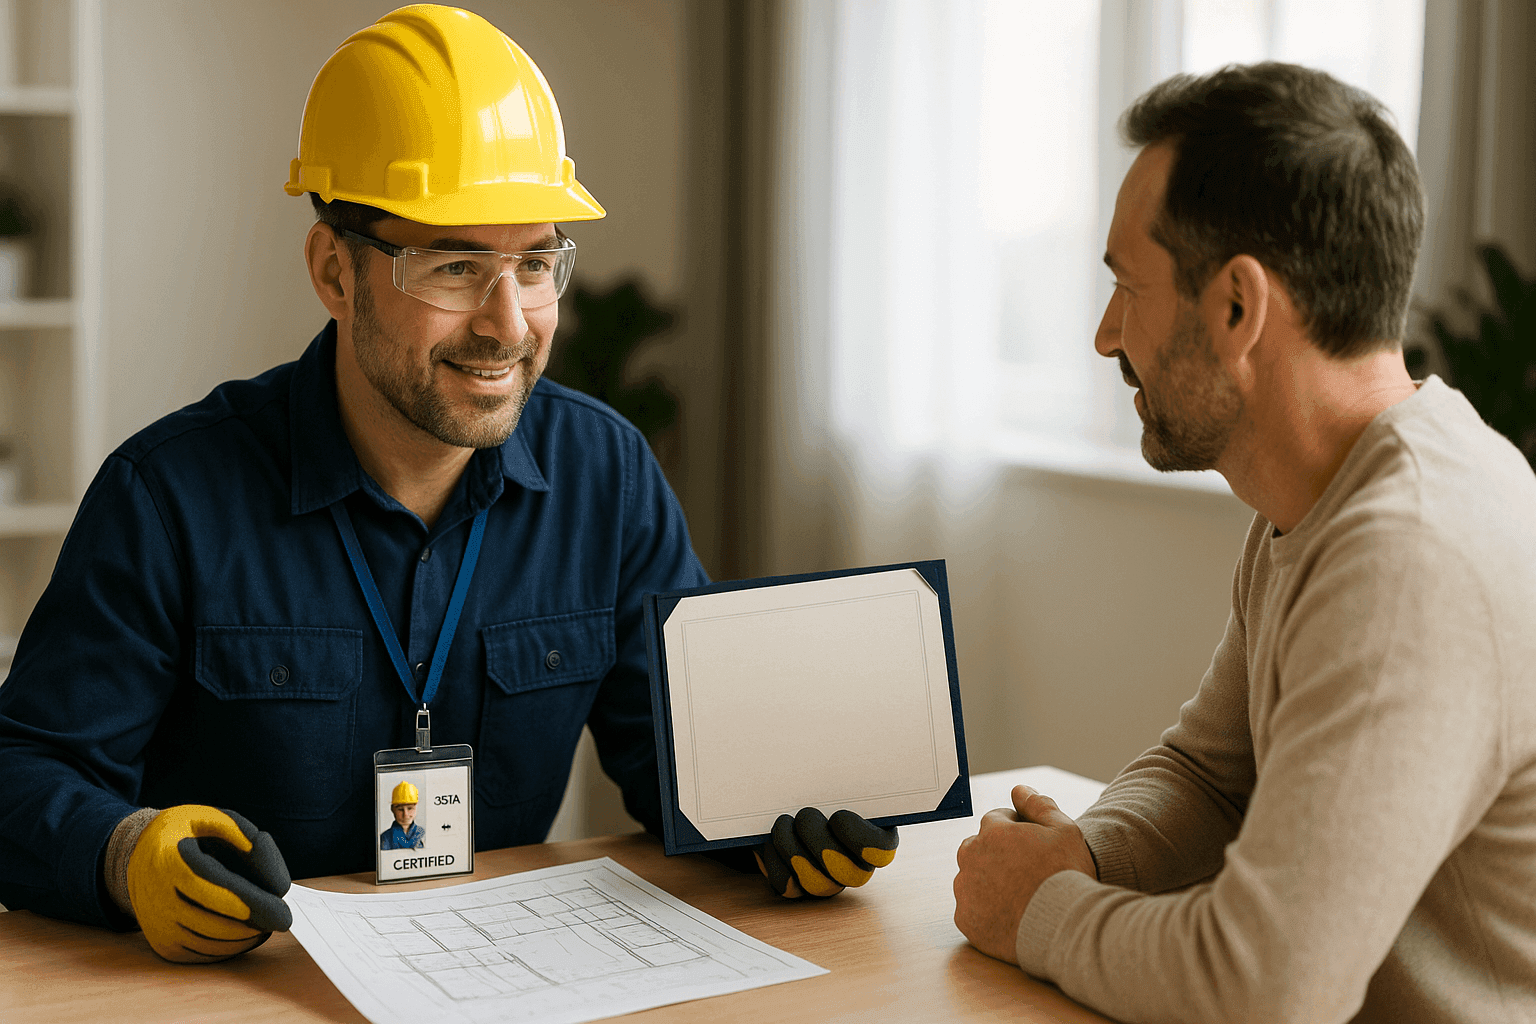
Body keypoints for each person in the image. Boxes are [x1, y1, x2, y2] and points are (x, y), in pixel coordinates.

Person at [0, 4, 891, 964]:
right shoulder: (168, 496)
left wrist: (775, 827)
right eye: (457, 265)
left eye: (536, 263)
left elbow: (684, 757)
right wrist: (124, 851)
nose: (507, 324)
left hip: (502, 978)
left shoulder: (608, 476)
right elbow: (21, 771)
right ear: (334, 273)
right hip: (246, 987)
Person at [953, 62, 1536, 1022]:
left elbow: (1268, 986)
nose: (1105, 338)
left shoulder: (1410, 552)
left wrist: (1041, 912)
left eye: (1127, 290)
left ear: (1236, 308)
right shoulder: (1318, 503)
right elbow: (1212, 776)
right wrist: (1088, 853)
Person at [381, 782, 426, 851]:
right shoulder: (385, 838)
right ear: (393, 810)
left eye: (410, 808)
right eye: (400, 809)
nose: (406, 815)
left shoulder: (423, 835)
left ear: (416, 808)